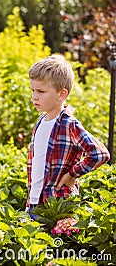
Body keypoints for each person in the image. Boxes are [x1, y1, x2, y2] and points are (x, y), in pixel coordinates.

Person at [26, 54, 110, 218]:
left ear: (61, 94)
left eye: (41, 91)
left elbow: (100, 154)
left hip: (56, 205)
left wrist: (72, 174)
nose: (34, 96)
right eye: (33, 90)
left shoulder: (68, 124)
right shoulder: (41, 120)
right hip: (35, 203)